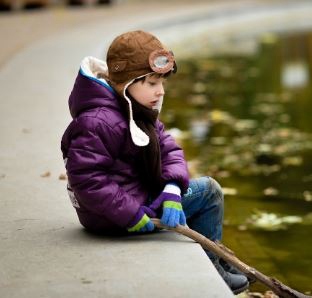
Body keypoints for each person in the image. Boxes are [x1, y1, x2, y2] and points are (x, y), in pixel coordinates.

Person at [60, 30, 249, 294]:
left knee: (198, 190)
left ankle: (216, 257)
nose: (160, 92)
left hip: (133, 201)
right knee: (209, 192)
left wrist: (172, 188)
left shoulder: (136, 110)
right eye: (151, 83)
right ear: (125, 83)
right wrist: (129, 213)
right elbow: (86, 179)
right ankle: (211, 265)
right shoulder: (98, 122)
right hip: (115, 216)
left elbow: (170, 150)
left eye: (161, 83)